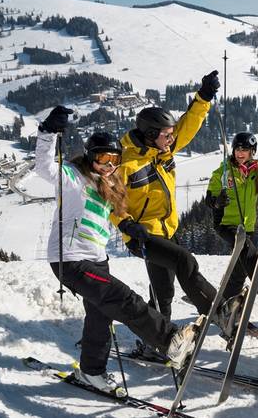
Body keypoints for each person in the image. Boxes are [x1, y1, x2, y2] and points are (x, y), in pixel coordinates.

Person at [35, 106, 198, 396]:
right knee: (125, 300)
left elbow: (119, 215)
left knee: (101, 315)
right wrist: (48, 132)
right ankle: (170, 338)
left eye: (114, 159)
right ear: (90, 157)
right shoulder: (73, 177)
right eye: (101, 158)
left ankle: (91, 372)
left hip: (97, 258)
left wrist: (131, 225)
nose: (108, 165)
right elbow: (44, 167)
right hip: (70, 259)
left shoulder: (110, 187)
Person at [109, 70, 239, 352]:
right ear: (151, 135)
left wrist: (203, 97)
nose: (171, 139)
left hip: (167, 230)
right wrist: (126, 224)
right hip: (142, 235)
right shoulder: (125, 163)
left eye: (170, 135)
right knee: (184, 261)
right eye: (166, 135)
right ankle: (217, 311)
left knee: (163, 291)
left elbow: (186, 126)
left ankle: (155, 341)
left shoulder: (162, 150)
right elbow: (110, 201)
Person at [205, 131, 258, 307]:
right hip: (225, 223)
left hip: (247, 224)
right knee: (245, 248)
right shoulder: (223, 172)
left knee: (241, 265)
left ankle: (228, 300)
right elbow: (209, 200)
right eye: (237, 149)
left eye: (245, 149)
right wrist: (217, 202)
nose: (240, 153)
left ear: (252, 151)